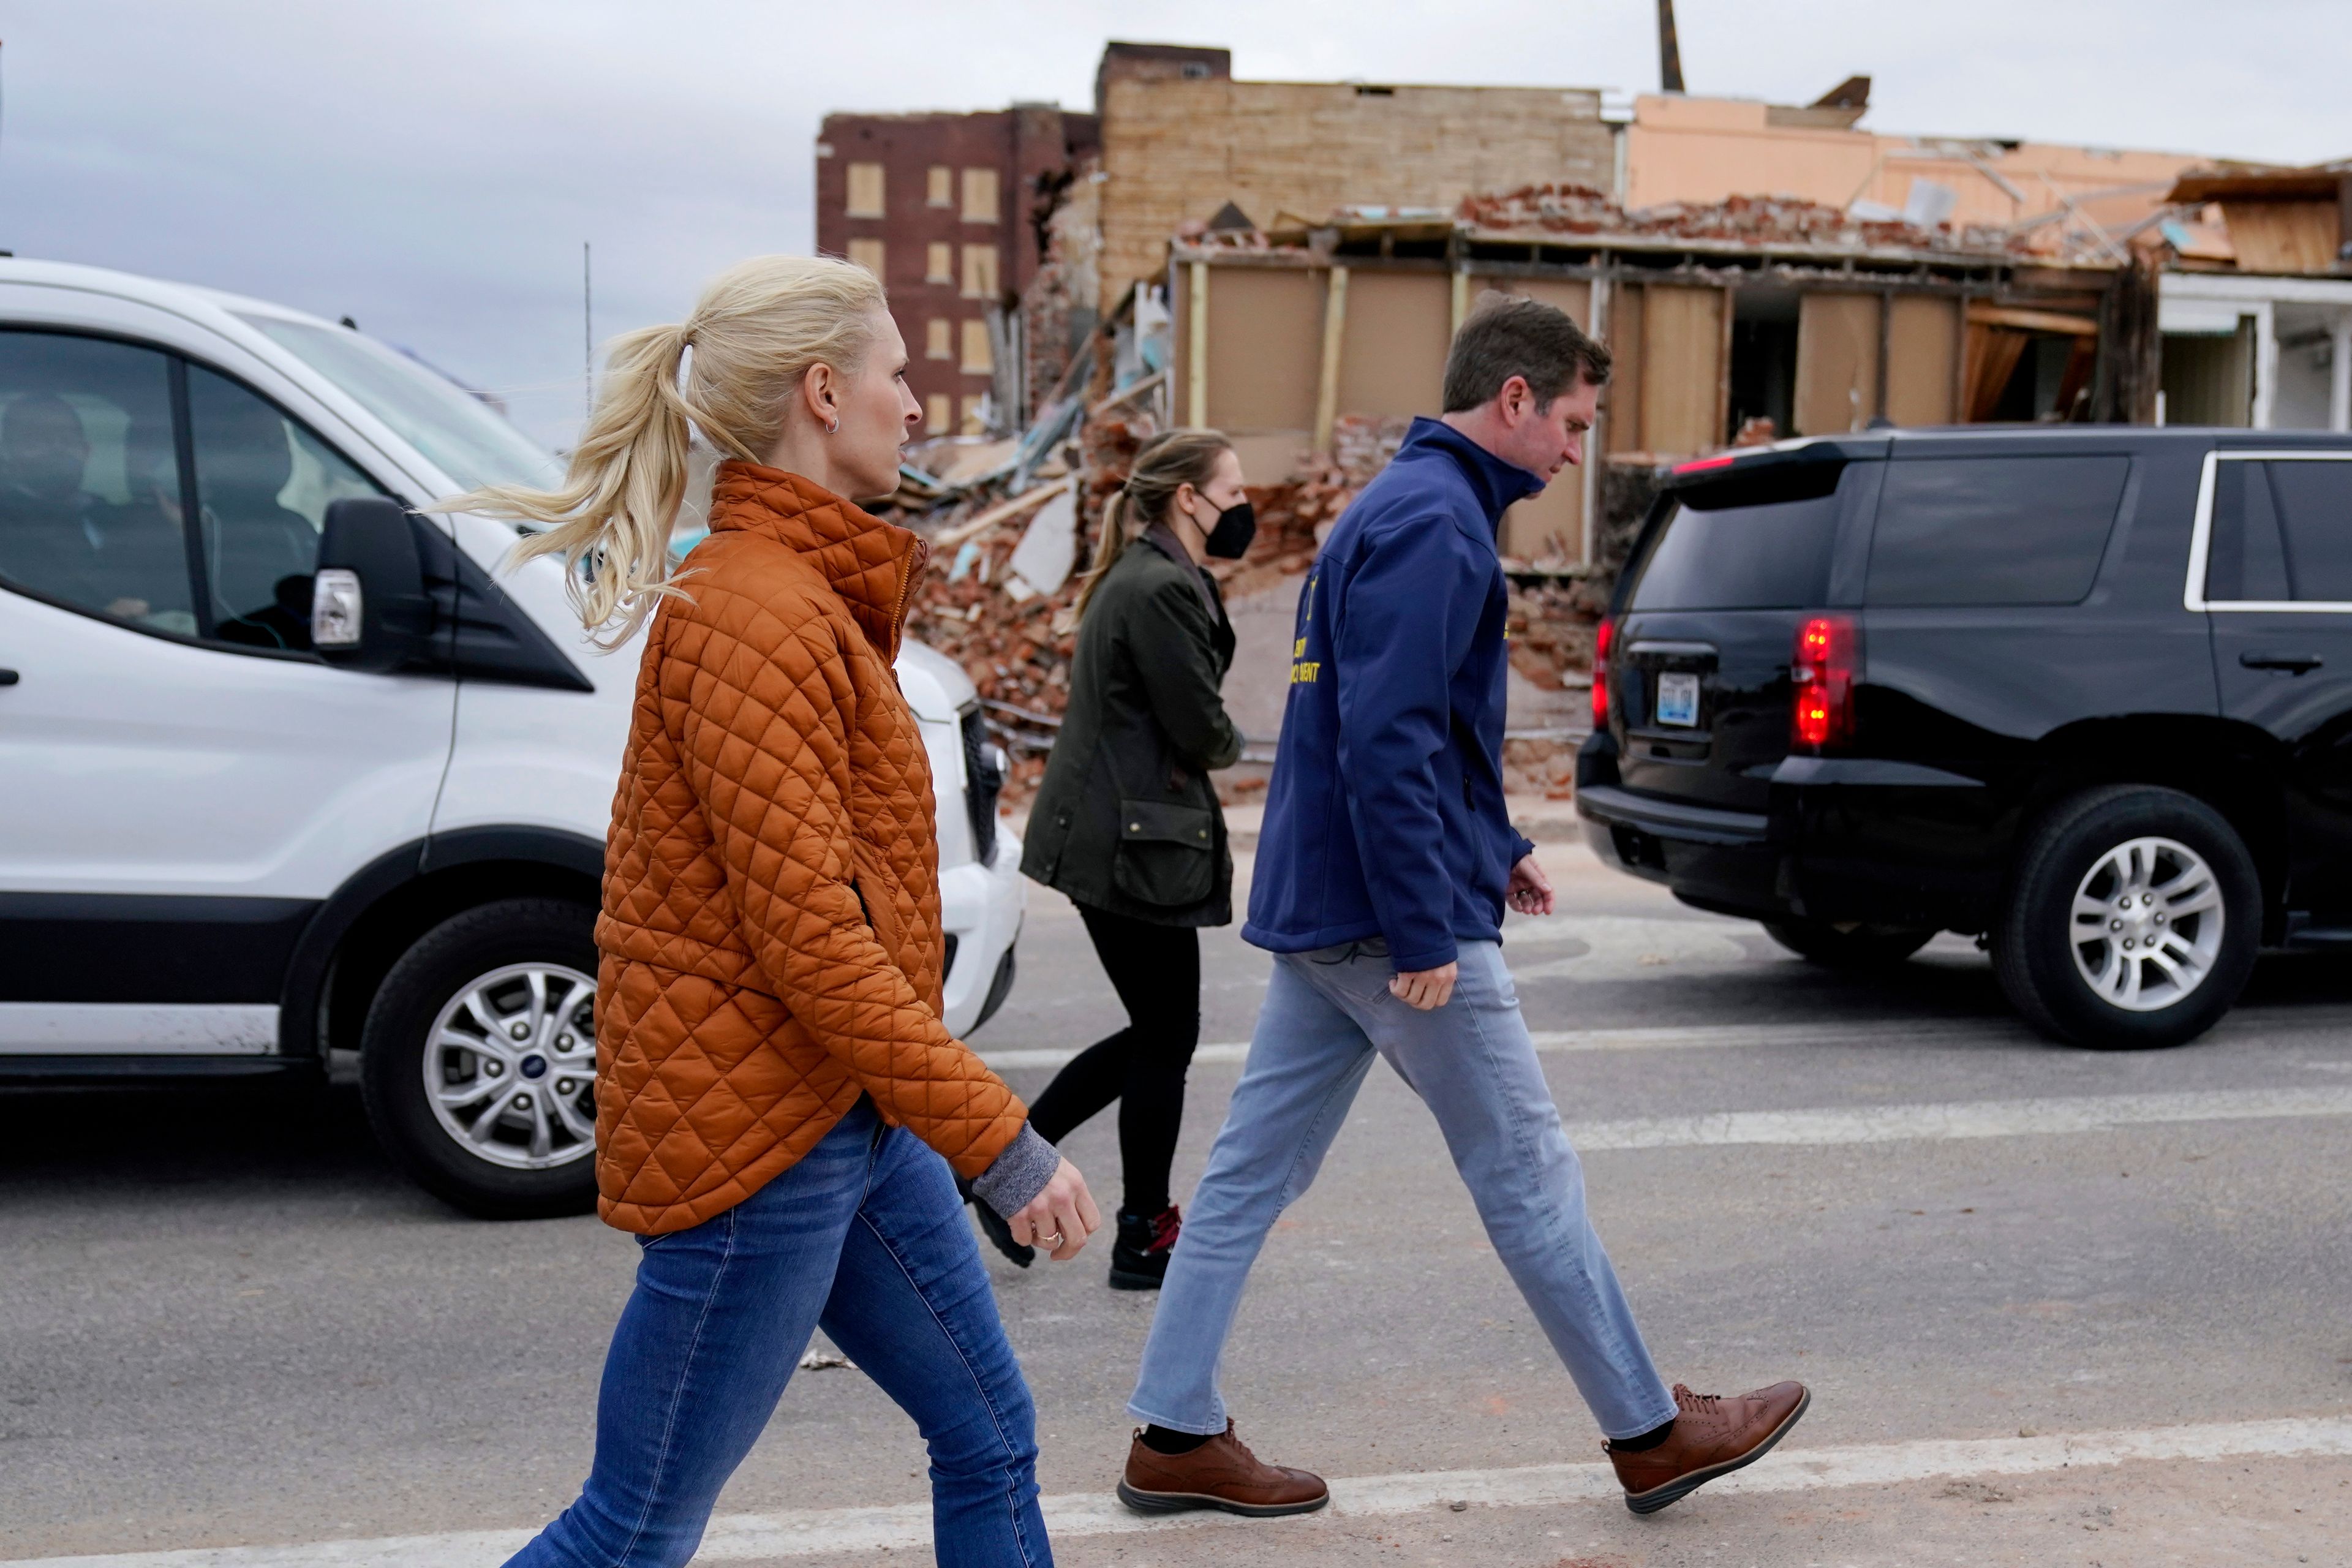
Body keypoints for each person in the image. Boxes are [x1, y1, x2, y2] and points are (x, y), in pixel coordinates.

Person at [444, 254, 1101, 1568]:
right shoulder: (752, 613)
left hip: (844, 1113)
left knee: (990, 1434)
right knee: (630, 1527)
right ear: (822, 391)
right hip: (758, 1146)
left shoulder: (798, 597)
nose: (916, 405)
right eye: (898, 373)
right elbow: (814, 939)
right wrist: (1000, 1138)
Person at [1114, 295, 1807, 1520]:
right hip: (1390, 922)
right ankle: (1649, 1430)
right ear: (1518, 399)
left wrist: (1491, 847)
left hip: (1334, 909)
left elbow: (1416, 729)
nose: (1578, 449)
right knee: (1528, 1171)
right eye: (1576, 422)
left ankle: (1173, 1428)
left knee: (1241, 1179)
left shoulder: (1401, 503)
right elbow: (1387, 742)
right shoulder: (1439, 525)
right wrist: (1432, 925)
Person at [1008, 429, 1250, 1289]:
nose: (1243, 507)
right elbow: (1200, 727)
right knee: (1166, 1031)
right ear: (1189, 497)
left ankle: (1014, 1172)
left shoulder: (1154, 576)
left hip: (1120, 837)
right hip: (1124, 844)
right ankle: (1138, 1230)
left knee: (1161, 1029)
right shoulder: (1155, 589)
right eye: (1232, 490)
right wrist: (1245, 738)